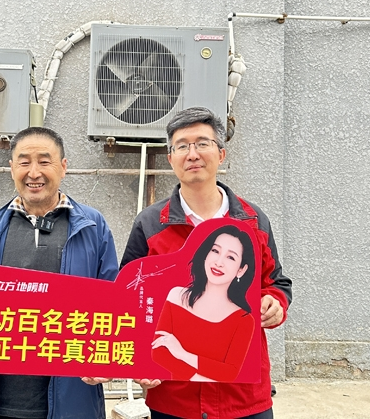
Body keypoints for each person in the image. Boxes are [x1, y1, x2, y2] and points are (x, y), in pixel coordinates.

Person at [0, 126, 118, 419]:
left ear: (63, 167)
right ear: (12, 168)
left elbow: (115, 304)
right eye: (24, 162)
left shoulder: (93, 227)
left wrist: (108, 361)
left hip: (73, 400)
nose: (34, 172)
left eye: (44, 161)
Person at [121, 107, 292, 419]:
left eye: (202, 143)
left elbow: (276, 282)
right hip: (174, 396)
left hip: (244, 397)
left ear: (221, 154)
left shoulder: (253, 221)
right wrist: (140, 362)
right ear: (170, 158)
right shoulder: (150, 224)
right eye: (182, 146)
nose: (192, 154)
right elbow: (128, 300)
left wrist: (275, 302)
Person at [151, 225, 256, 383]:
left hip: (222, 397)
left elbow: (230, 373)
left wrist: (182, 354)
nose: (219, 262)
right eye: (215, 251)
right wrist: (202, 374)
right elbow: (158, 352)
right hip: (173, 395)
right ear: (206, 254)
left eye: (231, 257)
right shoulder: (177, 296)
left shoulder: (243, 320)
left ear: (241, 269)